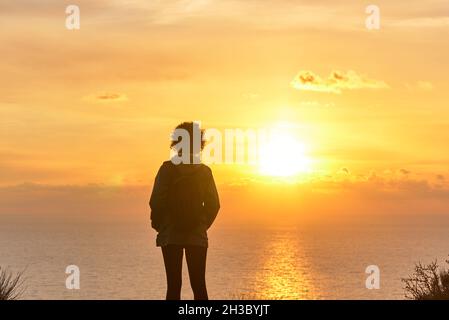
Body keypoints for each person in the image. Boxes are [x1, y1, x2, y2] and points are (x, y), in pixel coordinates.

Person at [150, 122, 220, 300]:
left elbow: (156, 200)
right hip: (196, 233)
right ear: (199, 144)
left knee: (173, 286)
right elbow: (214, 204)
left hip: (170, 233)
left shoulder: (167, 169)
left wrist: (160, 225)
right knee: (199, 286)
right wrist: (201, 224)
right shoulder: (204, 172)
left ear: (176, 142)